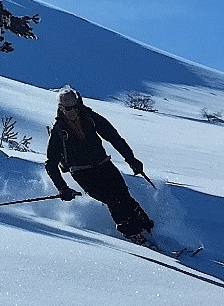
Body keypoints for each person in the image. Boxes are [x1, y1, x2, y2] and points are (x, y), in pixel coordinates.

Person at [44, 86, 156, 243]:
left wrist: (131, 159)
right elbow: (51, 163)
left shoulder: (89, 117)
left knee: (124, 196)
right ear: (61, 108)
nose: (74, 111)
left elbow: (114, 137)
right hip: (82, 173)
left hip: (104, 165)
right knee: (112, 199)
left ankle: (148, 229)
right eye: (69, 108)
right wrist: (62, 188)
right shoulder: (58, 131)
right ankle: (132, 234)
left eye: (76, 106)